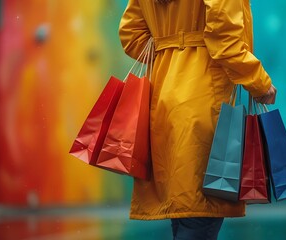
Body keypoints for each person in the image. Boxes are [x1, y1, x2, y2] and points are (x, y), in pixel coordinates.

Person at [119, 0, 277, 239]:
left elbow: (132, 35)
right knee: (199, 218)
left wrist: (171, 49)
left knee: (185, 216)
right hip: (203, 102)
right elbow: (225, 42)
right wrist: (260, 84)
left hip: (162, 104)